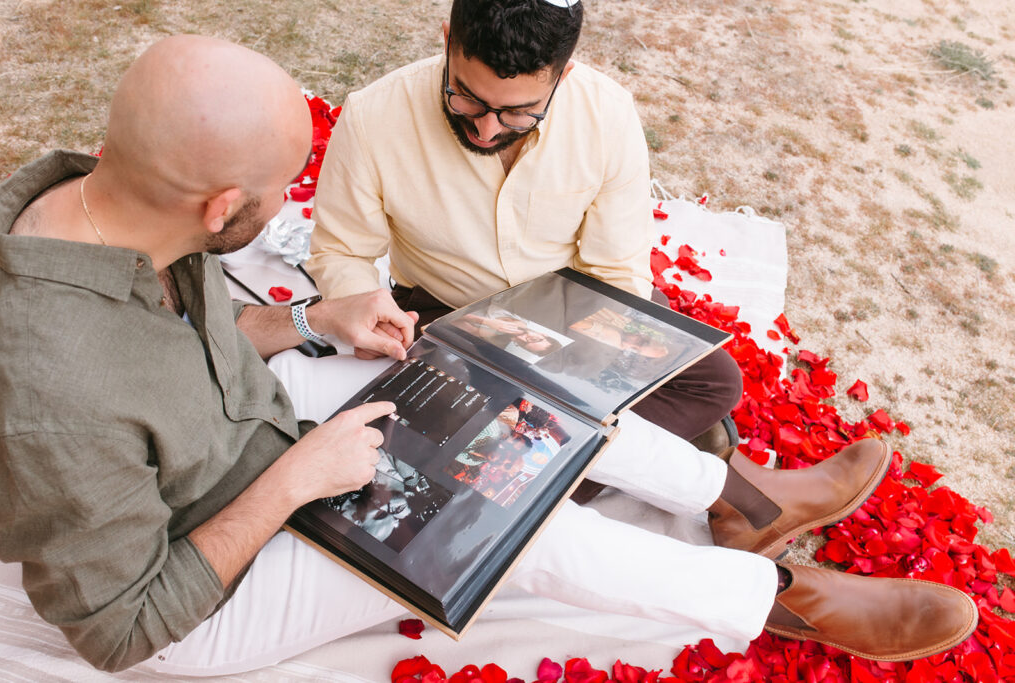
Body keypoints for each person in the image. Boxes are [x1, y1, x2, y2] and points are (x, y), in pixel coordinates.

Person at [0, 34, 977, 677]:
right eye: (279, 188)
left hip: (246, 427)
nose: (292, 202)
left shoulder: (98, 208)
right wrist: (295, 479)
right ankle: (780, 600)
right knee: (497, 507)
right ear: (220, 209)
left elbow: (171, 354)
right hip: (208, 594)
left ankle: (741, 499)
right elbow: (124, 625)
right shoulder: (52, 393)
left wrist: (309, 324)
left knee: (486, 367)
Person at [305, 0, 743, 458]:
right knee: (482, 442)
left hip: (577, 306)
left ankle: (583, 461)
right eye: (466, 97)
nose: (486, 130)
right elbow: (340, 252)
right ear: (447, 39)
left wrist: (588, 361)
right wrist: (364, 308)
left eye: (518, 112)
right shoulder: (374, 115)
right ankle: (627, 462)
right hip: (448, 314)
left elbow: (616, 268)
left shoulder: (606, 113)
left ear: (563, 74)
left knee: (715, 383)